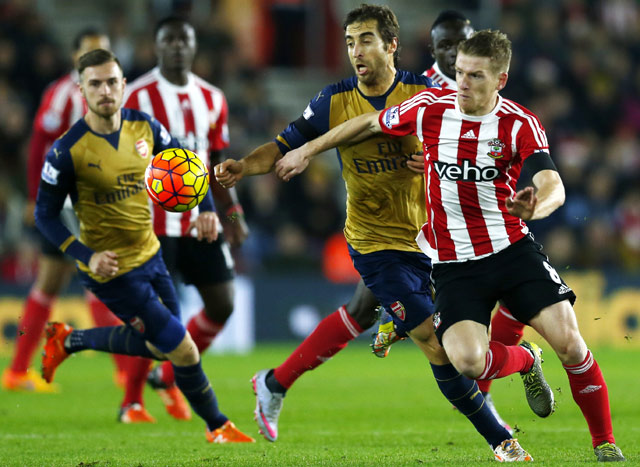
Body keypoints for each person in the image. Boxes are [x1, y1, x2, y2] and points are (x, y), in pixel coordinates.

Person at [274, 29, 625, 463]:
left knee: (571, 344)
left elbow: (552, 184)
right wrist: (307, 149)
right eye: (459, 72)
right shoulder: (428, 109)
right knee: (467, 362)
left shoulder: (519, 124)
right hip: (455, 264)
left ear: (500, 80)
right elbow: (366, 122)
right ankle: (526, 360)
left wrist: (537, 208)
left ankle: (604, 443)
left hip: (512, 250)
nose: (462, 83)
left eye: (476, 76)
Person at [216, 5, 537, 461]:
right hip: (373, 241)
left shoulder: (425, 95)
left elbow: (463, 153)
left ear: (391, 45)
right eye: (349, 42)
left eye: (365, 39)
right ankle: (500, 439)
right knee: (435, 340)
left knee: (372, 313)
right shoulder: (333, 100)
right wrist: (245, 166)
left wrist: (430, 161)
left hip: (429, 238)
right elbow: (285, 145)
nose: (355, 51)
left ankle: (275, 382)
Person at [35, 48, 254, 444]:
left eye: (112, 81)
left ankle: (68, 340)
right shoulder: (67, 150)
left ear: (122, 85)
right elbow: (44, 217)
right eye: (95, 84)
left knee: (159, 348)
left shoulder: (146, 127)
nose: (105, 90)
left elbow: (188, 164)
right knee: (183, 349)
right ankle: (218, 425)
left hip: (150, 254)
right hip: (111, 269)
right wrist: (87, 256)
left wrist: (205, 210)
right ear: (82, 91)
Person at [373, 11, 526, 428]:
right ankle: (397, 315)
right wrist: (413, 156)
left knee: (506, 303)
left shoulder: (484, 80)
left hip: (485, 210)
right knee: (397, 285)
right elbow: (392, 126)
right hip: (424, 210)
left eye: (463, 43)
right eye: (447, 46)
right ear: (434, 48)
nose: (456, 54)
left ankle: (399, 318)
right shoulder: (420, 87)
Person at [119, 16, 248, 424]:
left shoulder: (212, 97)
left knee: (223, 303)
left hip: (202, 220)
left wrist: (233, 212)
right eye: (169, 39)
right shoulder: (137, 96)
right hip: (152, 223)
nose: (177, 46)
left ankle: (168, 374)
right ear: (156, 46)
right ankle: (132, 402)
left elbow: (216, 163)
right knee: (155, 314)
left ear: (194, 47)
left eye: (183, 40)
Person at [1, 29, 129, 394]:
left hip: (100, 200)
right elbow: (38, 142)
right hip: (71, 202)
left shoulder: (117, 91)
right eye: (90, 52)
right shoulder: (61, 93)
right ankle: (126, 376)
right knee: (100, 281)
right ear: (75, 58)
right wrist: (32, 196)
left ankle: (17, 370)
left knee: (49, 284)